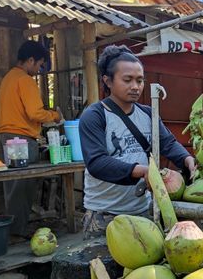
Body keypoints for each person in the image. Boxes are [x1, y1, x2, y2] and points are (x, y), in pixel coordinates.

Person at [79, 45, 195, 239]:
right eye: (128, 80)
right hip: (105, 215)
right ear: (107, 81)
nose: (135, 86)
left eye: (140, 80)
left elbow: (168, 143)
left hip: (143, 211)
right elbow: (97, 163)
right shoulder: (94, 116)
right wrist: (143, 171)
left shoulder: (148, 114)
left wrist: (187, 159)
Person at [0, 40, 61, 237]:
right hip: (21, 139)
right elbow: (35, 113)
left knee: (13, 185)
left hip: (6, 136)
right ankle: (17, 231)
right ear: (30, 60)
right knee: (22, 186)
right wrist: (56, 116)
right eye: (40, 64)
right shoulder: (24, 80)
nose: (40, 69)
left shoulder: (9, 77)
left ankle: (15, 228)